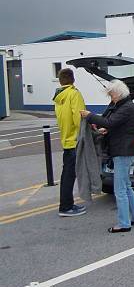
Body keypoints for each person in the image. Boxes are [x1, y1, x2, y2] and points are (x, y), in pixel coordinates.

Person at [80, 80, 134, 233]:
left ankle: (124, 224)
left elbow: (109, 122)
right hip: (126, 151)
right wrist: (106, 130)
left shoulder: (125, 107)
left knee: (120, 190)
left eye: (111, 94)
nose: (110, 97)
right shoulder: (126, 106)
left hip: (122, 152)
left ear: (118, 93)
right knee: (127, 187)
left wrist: (90, 116)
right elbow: (117, 126)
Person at [53, 68, 87, 217]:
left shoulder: (59, 96)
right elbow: (79, 118)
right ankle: (66, 207)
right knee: (70, 175)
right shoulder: (74, 94)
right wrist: (89, 133)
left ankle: (66, 204)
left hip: (66, 139)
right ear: (73, 79)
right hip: (75, 140)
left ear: (61, 80)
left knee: (66, 174)